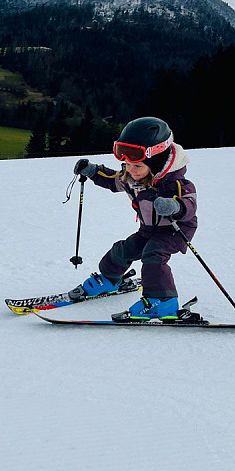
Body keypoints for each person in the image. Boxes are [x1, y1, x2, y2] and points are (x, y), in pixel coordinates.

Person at [72, 116, 197, 321]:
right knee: (122, 250)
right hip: (148, 228)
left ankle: (163, 301)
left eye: (137, 166)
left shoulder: (176, 183)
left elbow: (189, 205)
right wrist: (93, 171)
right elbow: (112, 181)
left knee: (153, 254)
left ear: (155, 163)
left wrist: (175, 206)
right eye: (127, 164)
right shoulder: (131, 178)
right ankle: (109, 279)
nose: (130, 170)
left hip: (175, 230)